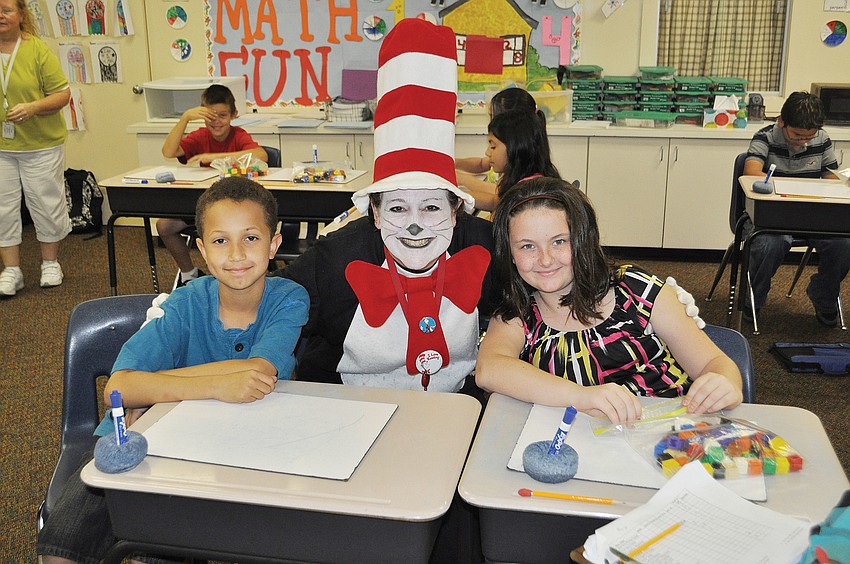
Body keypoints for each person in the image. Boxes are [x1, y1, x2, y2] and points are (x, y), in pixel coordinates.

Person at [36, 177, 310, 564]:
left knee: (162, 551)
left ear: (274, 244)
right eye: (220, 240)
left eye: (250, 238)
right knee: (61, 550)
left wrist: (154, 388)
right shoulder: (183, 303)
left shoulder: (289, 299)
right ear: (202, 249)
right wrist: (218, 384)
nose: (236, 253)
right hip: (140, 439)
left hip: (236, 448)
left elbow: (255, 374)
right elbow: (118, 389)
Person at [476, 177, 743, 425]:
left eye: (559, 242)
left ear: (583, 240)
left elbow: (715, 364)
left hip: (669, 434)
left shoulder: (635, 290)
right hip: (580, 442)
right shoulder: (519, 312)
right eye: (527, 246)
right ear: (510, 254)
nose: (545, 259)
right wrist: (581, 396)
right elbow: (489, 369)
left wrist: (724, 383)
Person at [742, 91, 850, 327]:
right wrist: (790, 187)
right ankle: (753, 298)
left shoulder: (822, 139)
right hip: (771, 218)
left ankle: (823, 296)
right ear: (781, 121)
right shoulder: (765, 137)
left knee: (843, 244)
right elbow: (751, 173)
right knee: (770, 243)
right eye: (798, 135)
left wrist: (841, 183)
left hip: (812, 216)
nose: (804, 142)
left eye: (809, 137)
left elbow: (830, 176)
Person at [158, 84, 268, 287]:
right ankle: (189, 273)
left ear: (233, 114)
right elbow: (169, 151)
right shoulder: (200, 136)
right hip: (203, 205)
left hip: (235, 210)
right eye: (210, 116)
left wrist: (213, 157)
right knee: (164, 226)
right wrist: (185, 118)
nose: (216, 122)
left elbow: (261, 155)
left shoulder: (238, 135)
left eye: (223, 116)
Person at [0, 0, 71, 297]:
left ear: (21, 15)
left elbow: (62, 95)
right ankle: (11, 270)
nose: (0, 15)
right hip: (2, 147)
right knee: (2, 208)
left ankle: (50, 263)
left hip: (40, 145)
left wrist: (33, 107)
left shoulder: (37, 50)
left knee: (46, 204)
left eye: (6, 10)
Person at [457, 108, 560, 212]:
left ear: (515, 148)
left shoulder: (525, 192)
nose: (487, 152)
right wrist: (459, 195)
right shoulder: (522, 177)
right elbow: (494, 202)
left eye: (493, 146)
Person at [454, 87, 544, 176]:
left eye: (494, 116)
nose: (492, 123)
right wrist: (453, 163)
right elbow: (481, 164)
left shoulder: (523, 161)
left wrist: (463, 179)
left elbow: (501, 188)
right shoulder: (503, 156)